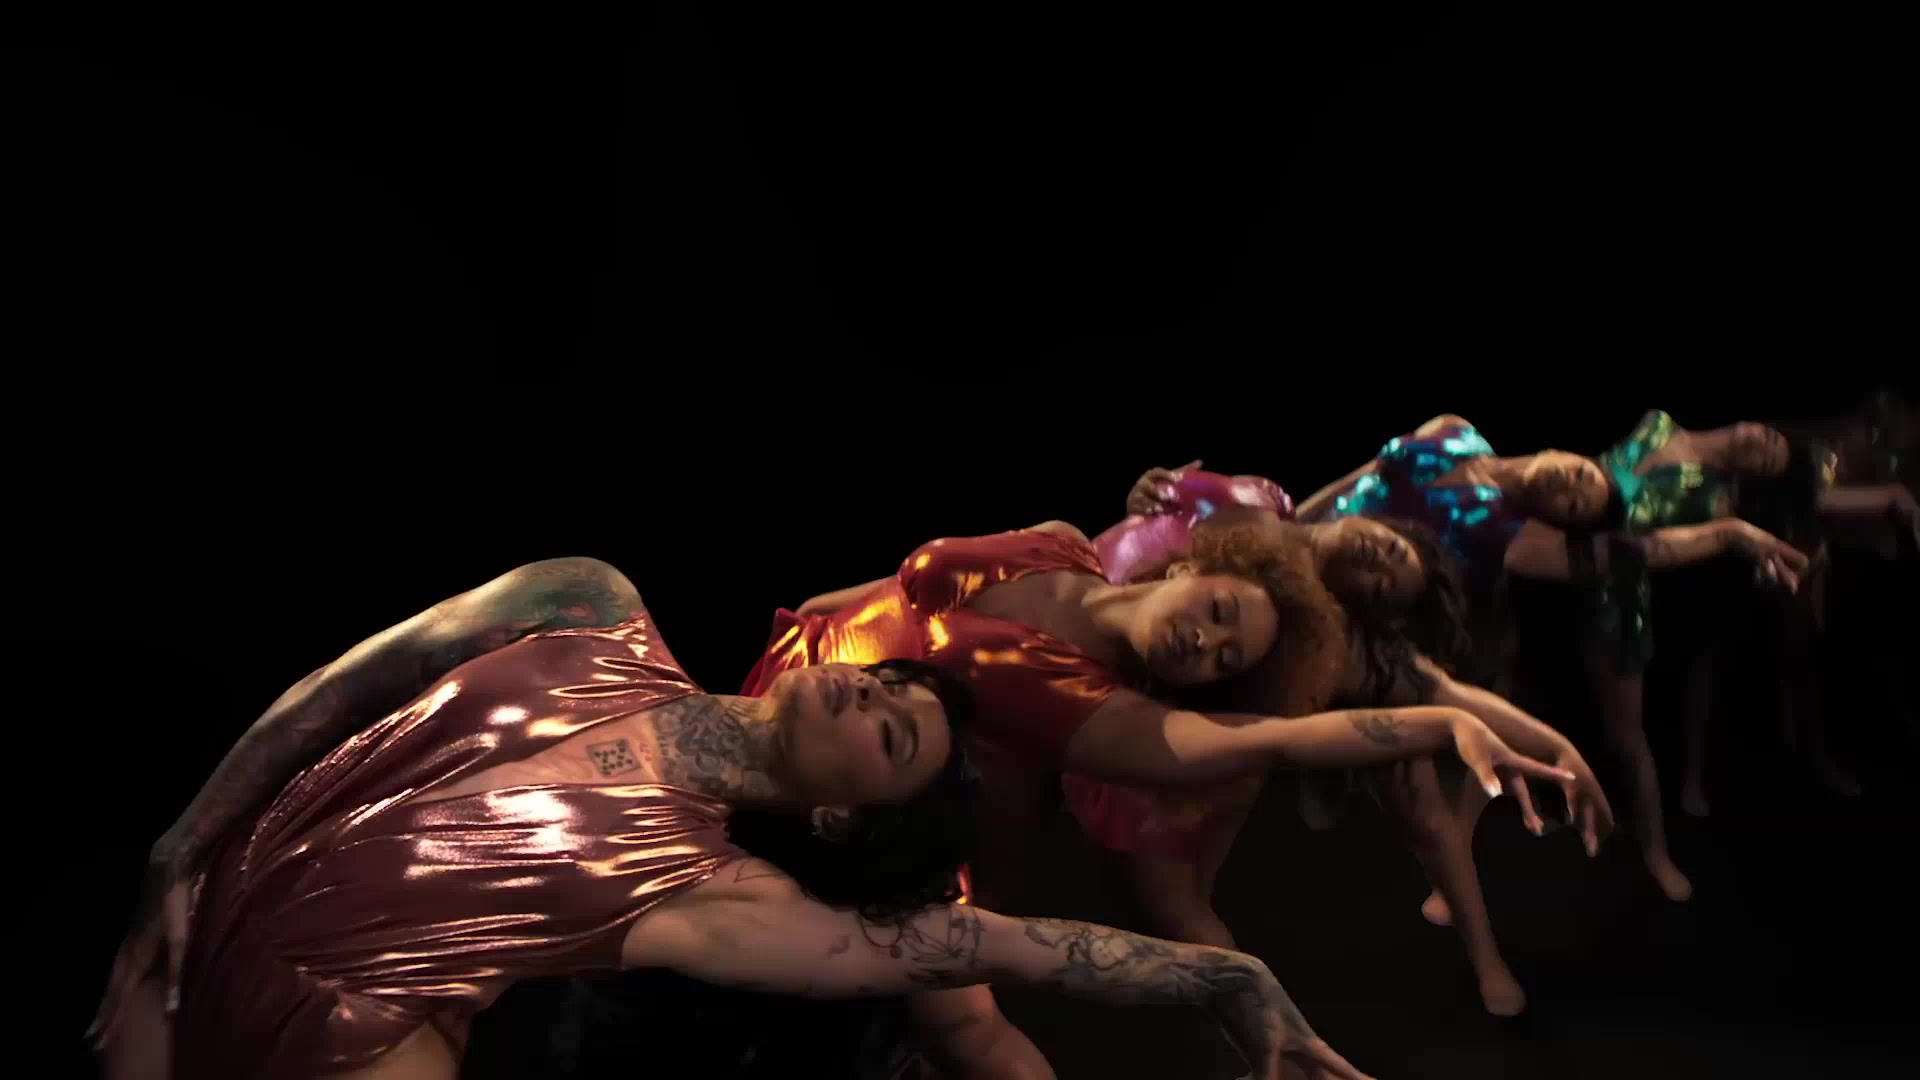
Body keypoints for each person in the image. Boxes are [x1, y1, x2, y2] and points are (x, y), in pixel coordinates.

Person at [86, 557, 1373, 1080]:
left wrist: (1229, 975)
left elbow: (1003, 948)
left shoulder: (721, 898)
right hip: (207, 920)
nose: (876, 693)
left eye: (896, 736)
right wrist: (178, 847)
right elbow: (339, 692)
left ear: (839, 816)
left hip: (340, 1040)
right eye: (890, 689)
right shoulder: (591, 605)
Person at [730, 519, 1577, 1050]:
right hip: (784, 682)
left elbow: (1281, 739)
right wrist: (812, 616)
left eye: (1223, 660)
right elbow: (904, 583)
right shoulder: (1061, 543)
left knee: (936, 1017)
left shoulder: (1103, 715)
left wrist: (1442, 723)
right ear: (1189, 568)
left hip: (812, 796)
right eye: (1220, 612)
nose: (1203, 641)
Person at [1092, 462, 1613, 1015]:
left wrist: (1561, 749)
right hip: (1103, 643)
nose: (1381, 562)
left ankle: (1481, 962)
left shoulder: (1311, 631)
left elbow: (1444, 690)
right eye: (1394, 550)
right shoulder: (1271, 509)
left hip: (1188, 717)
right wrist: (1148, 501)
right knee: (1174, 891)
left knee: (1424, 814)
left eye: (1384, 584)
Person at [1294, 413, 1811, 904]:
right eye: (1581, 476)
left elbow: (1645, 550)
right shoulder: (1457, 430)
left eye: (1572, 504)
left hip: (1338, 604)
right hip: (1304, 546)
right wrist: (1293, 524)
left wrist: (1732, 532)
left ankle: (1652, 853)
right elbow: (1367, 472)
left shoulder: (1512, 533)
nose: (1570, 485)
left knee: (1611, 735)